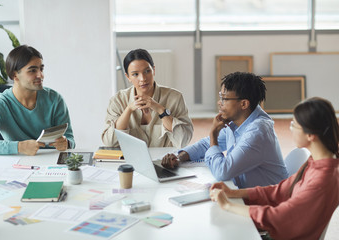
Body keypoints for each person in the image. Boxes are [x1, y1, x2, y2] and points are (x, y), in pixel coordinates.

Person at [210, 97, 339, 240]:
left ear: (310, 135)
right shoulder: (317, 161)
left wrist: (227, 205)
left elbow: (277, 217)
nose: (290, 129)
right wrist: (233, 193)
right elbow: (281, 190)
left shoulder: (322, 179)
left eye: (293, 125)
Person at [162, 72, 288, 188]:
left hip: (266, 204)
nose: (219, 103)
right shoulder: (237, 121)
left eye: (224, 99)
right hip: (246, 194)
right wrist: (179, 157)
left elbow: (223, 171)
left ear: (244, 104)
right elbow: (206, 144)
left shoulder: (257, 132)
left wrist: (213, 134)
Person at [0, 45, 75, 155]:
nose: (40, 75)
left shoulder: (55, 99)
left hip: (52, 164)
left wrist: (66, 143)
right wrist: (19, 147)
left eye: (41, 69)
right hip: (18, 165)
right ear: (15, 75)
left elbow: (70, 139)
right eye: (32, 70)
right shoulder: (0, 105)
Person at [102, 49, 193, 148]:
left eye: (147, 71)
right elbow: (109, 142)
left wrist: (160, 109)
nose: (143, 79)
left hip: (165, 161)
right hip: (131, 161)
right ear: (128, 77)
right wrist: (128, 110)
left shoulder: (175, 98)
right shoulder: (118, 100)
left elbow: (184, 140)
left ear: (153, 70)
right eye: (135, 74)